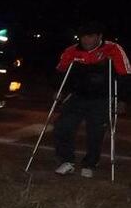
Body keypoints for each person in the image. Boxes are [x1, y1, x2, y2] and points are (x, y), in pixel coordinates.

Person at [54, 22, 130, 178]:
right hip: (78, 96)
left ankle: (90, 163)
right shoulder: (72, 51)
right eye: (83, 37)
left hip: (101, 99)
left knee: (95, 132)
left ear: (99, 37)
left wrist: (123, 99)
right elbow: (61, 72)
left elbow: (124, 75)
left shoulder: (113, 49)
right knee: (62, 126)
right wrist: (58, 91)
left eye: (91, 36)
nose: (87, 40)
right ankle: (67, 160)